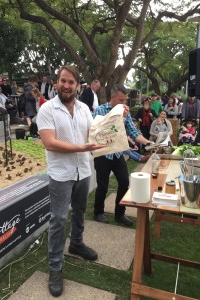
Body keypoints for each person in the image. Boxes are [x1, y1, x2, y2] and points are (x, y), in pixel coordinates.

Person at [36, 65, 105, 297]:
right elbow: (50, 143)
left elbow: (94, 134)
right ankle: (55, 267)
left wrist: (117, 116)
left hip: (83, 170)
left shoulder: (85, 109)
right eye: (63, 81)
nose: (66, 85)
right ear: (57, 82)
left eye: (71, 82)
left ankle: (76, 243)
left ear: (77, 85)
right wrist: (81, 147)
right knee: (58, 219)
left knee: (80, 210)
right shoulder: (47, 109)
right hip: (61, 174)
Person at [93, 84, 154, 225]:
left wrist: (148, 143)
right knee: (103, 185)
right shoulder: (100, 110)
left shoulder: (124, 112)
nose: (124, 103)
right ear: (113, 97)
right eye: (121, 100)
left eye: (125, 100)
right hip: (103, 154)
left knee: (124, 182)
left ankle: (119, 214)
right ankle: (98, 212)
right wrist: (119, 117)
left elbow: (133, 132)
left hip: (117, 153)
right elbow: (102, 131)